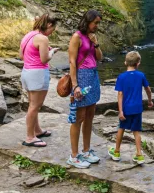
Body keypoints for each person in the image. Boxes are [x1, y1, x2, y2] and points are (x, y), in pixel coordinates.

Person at [67, 9, 103, 169]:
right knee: (78, 117)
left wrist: (96, 43)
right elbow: (72, 62)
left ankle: (86, 150)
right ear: (87, 21)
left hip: (93, 77)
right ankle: (74, 156)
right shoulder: (77, 37)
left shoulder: (92, 37)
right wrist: (75, 85)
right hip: (81, 77)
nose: (97, 26)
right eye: (95, 23)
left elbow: (100, 57)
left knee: (90, 116)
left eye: (98, 23)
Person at [20, 13, 59, 147]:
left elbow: (22, 56)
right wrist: (52, 52)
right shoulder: (42, 38)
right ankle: (30, 137)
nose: (51, 32)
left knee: (33, 104)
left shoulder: (28, 35)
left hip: (26, 72)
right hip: (38, 74)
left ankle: (37, 130)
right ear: (49, 25)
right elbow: (44, 59)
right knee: (35, 106)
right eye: (52, 29)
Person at [108, 50, 153, 164]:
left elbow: (120, 94)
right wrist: (150, 100)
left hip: (126, 109)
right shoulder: (141, 75)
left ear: (125, 63)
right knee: (136, 131)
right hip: (137, 108)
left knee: (121, 129)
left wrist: (120, 111)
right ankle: (139, 154)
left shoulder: (121, 77)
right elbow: (148, 89)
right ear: (138, 63)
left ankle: (117, 152)